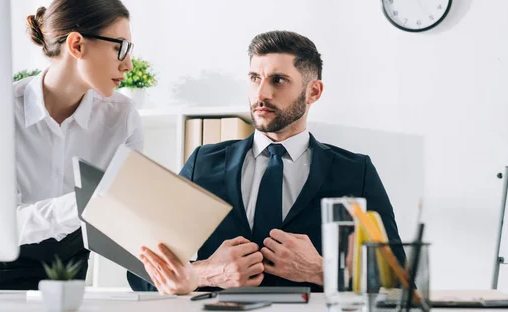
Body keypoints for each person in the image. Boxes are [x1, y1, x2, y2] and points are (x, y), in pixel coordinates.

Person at [127, 30, 404, 294]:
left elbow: (399, 281)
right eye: (254, 78)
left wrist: (321, 270)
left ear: (314, 92)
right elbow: (140, 271)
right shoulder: (203, 163)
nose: (261, 94)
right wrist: (206, 272)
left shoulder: (356, 172)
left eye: (278, 80)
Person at [0, 0, 144, 290]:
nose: (128, 64)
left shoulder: (123, 116)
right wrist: (86, 201)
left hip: (68, 276)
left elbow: (126, 221)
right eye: (121, 47)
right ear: (76, 45)